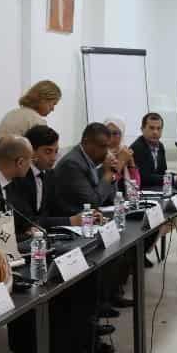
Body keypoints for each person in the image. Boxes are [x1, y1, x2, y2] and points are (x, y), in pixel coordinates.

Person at [13, 125, 103, 353]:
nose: (53, 157)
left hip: (48, 244)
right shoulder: (19, 179)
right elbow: (28, 222)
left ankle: (81, 351)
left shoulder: (48, 175)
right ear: (30, 153)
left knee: (89, 276)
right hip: (25, 253)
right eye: (47, 152)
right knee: (65, 296)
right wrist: (68, 220)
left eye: (55, 151)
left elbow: (57, 208)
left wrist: (84, 216)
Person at [55, 122, 134, 316]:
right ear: (86, 142)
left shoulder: (90, 160)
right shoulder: (73, 164)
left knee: (124, 239)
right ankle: (96, 308)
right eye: (101, 146)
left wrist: (111, 172)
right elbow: (93, 200)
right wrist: (109, 172)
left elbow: (108, 197)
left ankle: (109, 296)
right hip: (69, 223)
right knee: (108, 247)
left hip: (89, 220)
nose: (106, 151)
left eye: (107, 146)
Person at [0, 80, 61, 144]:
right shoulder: (36, 121)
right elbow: (43, 150)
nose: (53, 109)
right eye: (53, 104)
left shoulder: (12, 113)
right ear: (43, 100)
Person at [103, 117, 141, 192]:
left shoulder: (124, 151)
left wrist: (131, 163)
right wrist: (121, 161)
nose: (111, 137)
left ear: (121, 135)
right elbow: (107, 185)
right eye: (107, 133)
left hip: (125, 197)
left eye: (115, 133)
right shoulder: (99, 154)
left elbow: (136, 186)